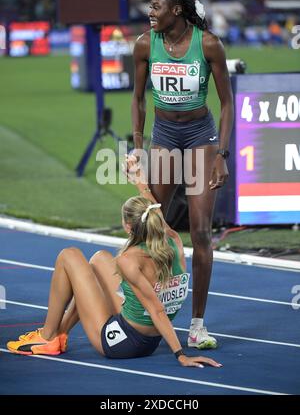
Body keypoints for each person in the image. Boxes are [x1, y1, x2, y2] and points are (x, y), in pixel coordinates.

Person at [7, 156, 221, 369]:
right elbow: (154, 211)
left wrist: (181, 355)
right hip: (150, 339)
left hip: (122, 343)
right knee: (99, 259)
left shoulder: (129, 260)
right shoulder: (172, 240)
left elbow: (157, 311)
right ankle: (60, 335)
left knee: (68, 255)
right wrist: (138, 179)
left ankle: (48, 335)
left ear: (128, 227)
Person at [131, 0, 234, 349]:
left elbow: (227, 103)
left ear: (176, 11)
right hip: (163, 136)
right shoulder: (145, 44)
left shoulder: (207, 45)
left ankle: (196, 324)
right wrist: (138, 147)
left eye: (156, 6)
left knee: (201, 231)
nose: (150, 11)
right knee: (149, 226)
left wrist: (221, 154)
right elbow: (138, 99)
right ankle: (144, 310)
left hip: (199, 139)